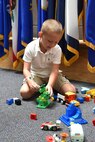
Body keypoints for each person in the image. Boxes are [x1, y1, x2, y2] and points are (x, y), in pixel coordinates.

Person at [20, 19, 76, 100]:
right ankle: (46, 87)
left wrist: (50, 84)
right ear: (40, 35)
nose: (52, 45)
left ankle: (51, 86)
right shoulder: (30, 47)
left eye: (56, 42)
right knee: (24, 93)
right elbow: (26, 69)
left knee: (71, 92)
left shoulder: (57, 49)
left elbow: (55, 71)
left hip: (52, 75)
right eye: (49, 41)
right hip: (36, 75)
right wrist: (30, 81)